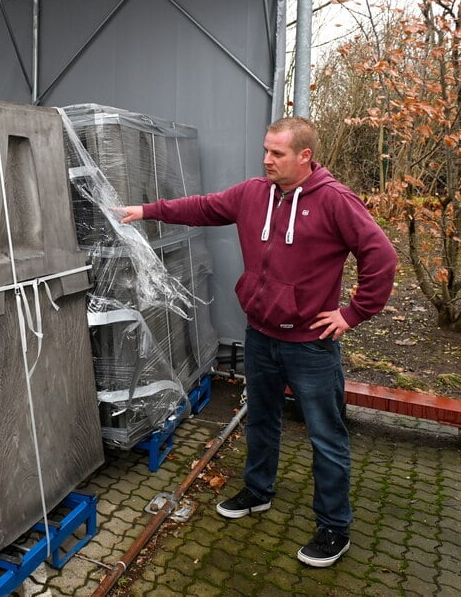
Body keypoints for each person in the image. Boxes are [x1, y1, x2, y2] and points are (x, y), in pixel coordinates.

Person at [117, 116, 397, 568]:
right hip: (261, 335)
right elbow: (204, 207)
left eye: (277, 153)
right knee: (261, 420)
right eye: (265, 150)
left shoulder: (335, 201)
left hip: (310, 345)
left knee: (326, 436)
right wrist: (147, 211)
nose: (266, 160)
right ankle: (258, 491)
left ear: (305, 156)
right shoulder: (253, 194)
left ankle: (333, 527)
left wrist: (352, 313)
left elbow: (381, 256)